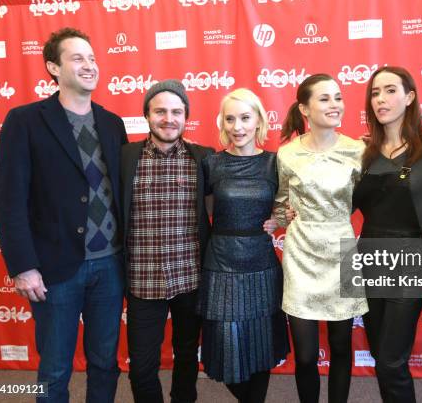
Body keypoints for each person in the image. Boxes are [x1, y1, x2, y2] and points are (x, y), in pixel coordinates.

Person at [0, 27, 127, 402]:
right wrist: (23, 266)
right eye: (77, 58)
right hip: (53, 270)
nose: (89, 65)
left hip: (111, 268)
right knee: (54, 369)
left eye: (92, 58)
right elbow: (9, 200)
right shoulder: (25, 121)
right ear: (53, 67)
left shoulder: (113, 124)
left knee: (105, 363)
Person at [274, 73, 368, 403]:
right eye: (325, 98)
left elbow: (369, 198)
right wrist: (278, 217)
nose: (335, 105)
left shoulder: (358, 150)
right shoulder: (286, 154)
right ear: (304, 108)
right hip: (301, 253)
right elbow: (280, 200)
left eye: (338, 97)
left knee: (342, 346)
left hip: (342, 249)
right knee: (305, 355)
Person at [351, 66, 422, 403]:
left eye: (390, 90)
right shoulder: (363, 152)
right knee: (380, 354)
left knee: (392, 359)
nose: (381, 99)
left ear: (410, 97)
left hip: (409, 257)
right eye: (375, 93)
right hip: (368, 256)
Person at [120, 80, 213, 403]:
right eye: (160, 111)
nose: (168, 118)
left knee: (187, 357)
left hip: (190, 278)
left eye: (176, 111)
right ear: (147, 115)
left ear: (186, 117)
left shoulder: (203, 158)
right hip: (142, 281)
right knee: (142, 367)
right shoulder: (125, 158)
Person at [196, 88, 289, 403]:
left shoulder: (274, 163)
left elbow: (292, 204)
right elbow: (208, 210)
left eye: (245, 118)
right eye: (230, 118)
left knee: (262, 345)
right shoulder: (212, 164)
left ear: (259, 120)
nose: (238, 126)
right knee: (224, 346)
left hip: (261, 264)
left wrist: (281, 218)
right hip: (221, 264)